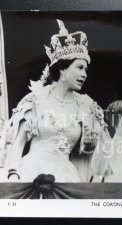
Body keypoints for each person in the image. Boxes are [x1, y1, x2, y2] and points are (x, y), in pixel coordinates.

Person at [0, 19, 108, 182]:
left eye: (86, 69)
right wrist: (14, 174)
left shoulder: (86, 106)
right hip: (31, 173)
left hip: (66, 176)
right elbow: (17, 144)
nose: (85, 74)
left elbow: (95, 158)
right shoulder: (36, 99)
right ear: (62, 69)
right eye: (79, 68)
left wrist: (101, 136)